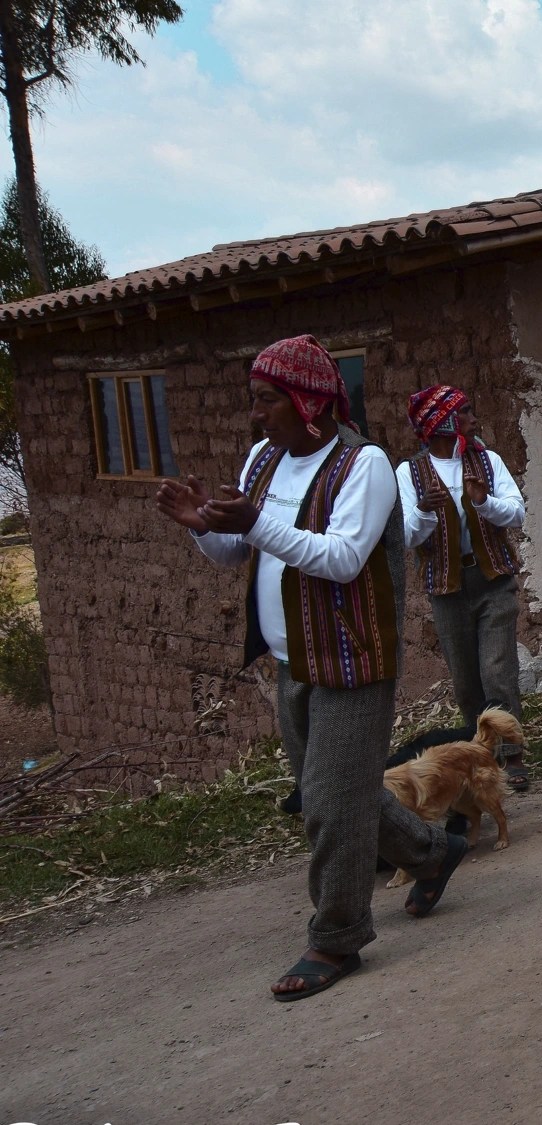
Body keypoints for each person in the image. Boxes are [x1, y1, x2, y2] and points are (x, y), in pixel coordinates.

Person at [155, 334, 469, 1001]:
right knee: (338, 794)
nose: (255, 414)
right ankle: (434, 852)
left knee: (329, 802)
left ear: (309, 403)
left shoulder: (367, 465)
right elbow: (235, 553)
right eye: (254, 400)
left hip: (354, 660)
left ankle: (337, 935)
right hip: (293, 661)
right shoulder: (264, 460)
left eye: (266, 400)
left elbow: (342, 559)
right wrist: (201, 526)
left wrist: (255, 521)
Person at [396, 385, 531, 791]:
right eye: (466, 413)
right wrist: (423, 511)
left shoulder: (487, 461)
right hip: (447, 588)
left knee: (496, 671)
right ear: (444, 423)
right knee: (466, 680)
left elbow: (517, 512)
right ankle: (482, 756)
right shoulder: (409, 474)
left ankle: (513, 755)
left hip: (492, 581)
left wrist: (484, 502)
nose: (474, 420)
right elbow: (406, 534)